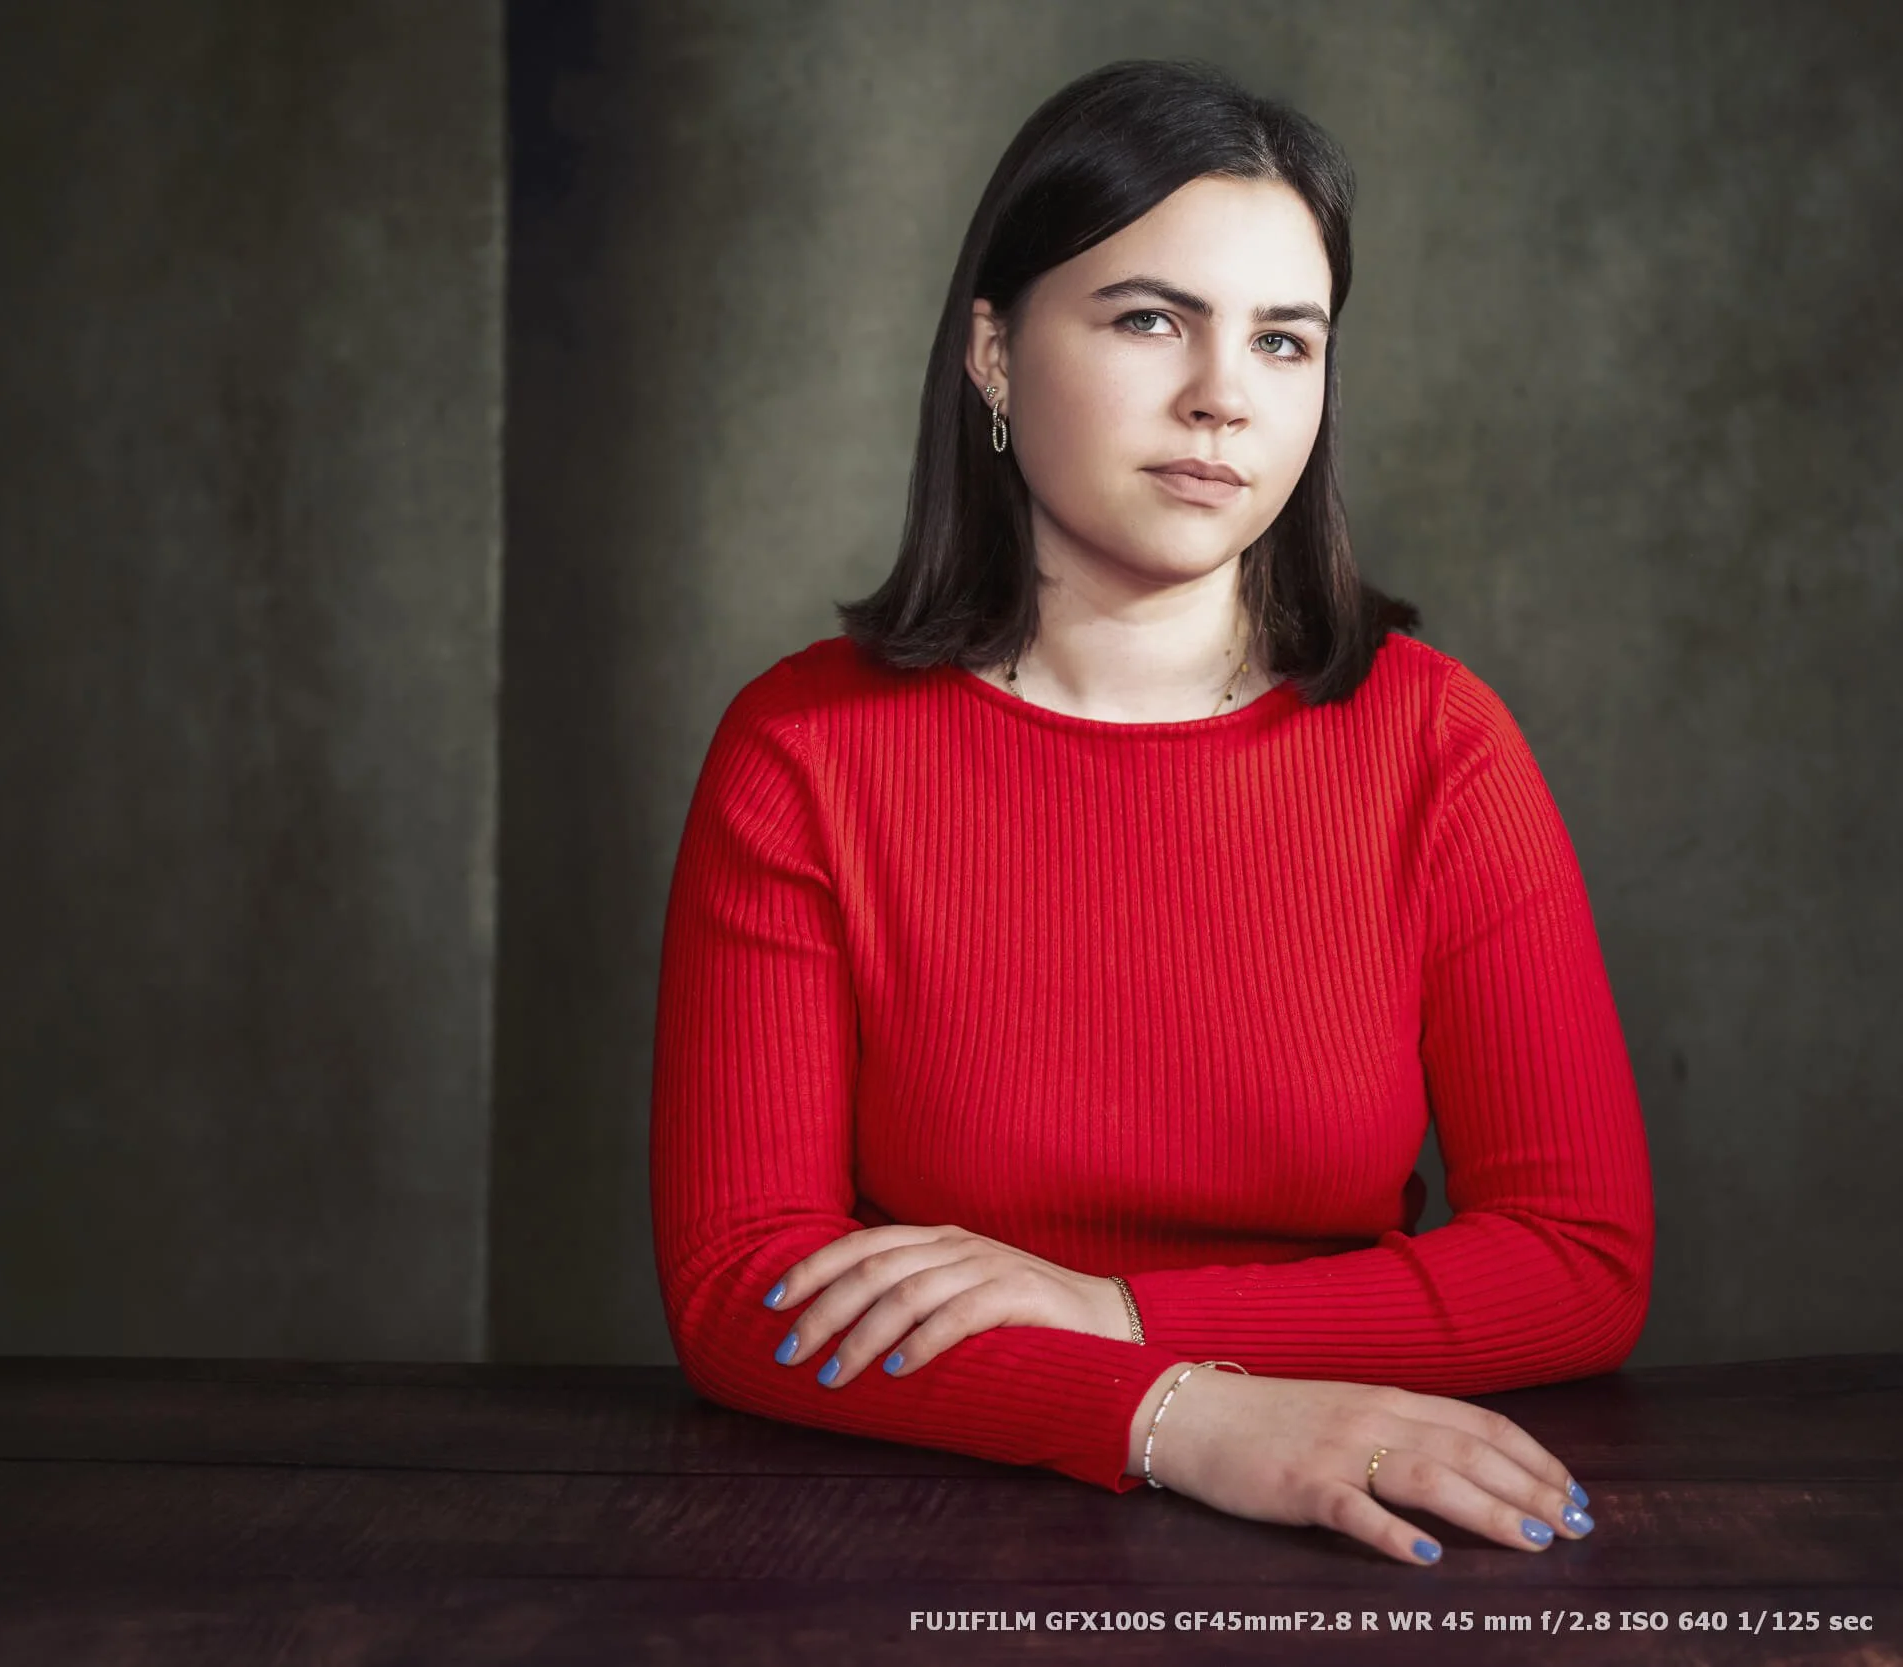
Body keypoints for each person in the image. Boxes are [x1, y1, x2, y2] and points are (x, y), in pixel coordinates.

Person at [646, 58, 1652, 1569]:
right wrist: (1175, 1414)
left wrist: (1122, 1315)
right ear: (992, 351)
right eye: (1148, 318)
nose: (1223, 396)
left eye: (1285, 339)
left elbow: (1577, 1260)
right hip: (924, 1543)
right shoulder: (804, 750)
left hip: (1362, 1526)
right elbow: (746, 1286)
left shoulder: (1438, 746)